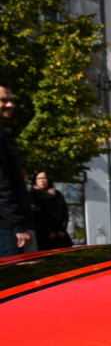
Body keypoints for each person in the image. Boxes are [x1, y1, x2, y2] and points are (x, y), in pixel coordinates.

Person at [0, 82, 32, 257]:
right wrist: (18, 225)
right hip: (5, 227)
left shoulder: (3, 133)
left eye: (11, 100)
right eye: (3, 100)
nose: (10, 105)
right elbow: (2, 185)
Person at [28, 170, 71, 250]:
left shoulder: (57, 194)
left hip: (60, 234)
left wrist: (62, 229)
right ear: (35, 181)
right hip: (43, 236)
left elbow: (65, 212)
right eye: (39, 178)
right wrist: (48, 231)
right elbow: (36, 216)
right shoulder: (32, 195)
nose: (42, 181)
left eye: (44, 178)